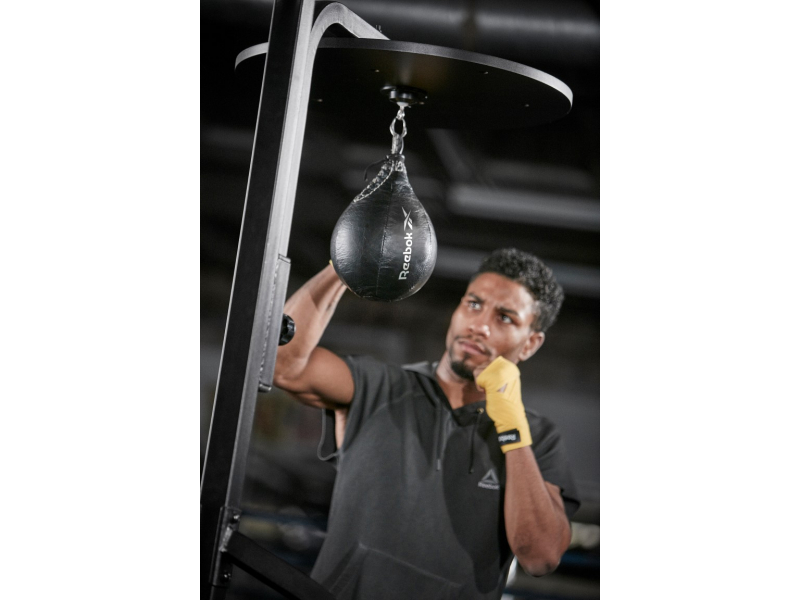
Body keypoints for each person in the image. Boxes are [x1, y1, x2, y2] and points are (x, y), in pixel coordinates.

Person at [274, 248, 580, 600]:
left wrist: (512, 428)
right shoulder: (379, 387)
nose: (479, 325)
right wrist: (341, 267)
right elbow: (283, 365)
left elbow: (540, 556)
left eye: (505, 318)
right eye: (474, 304)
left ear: (530, 344)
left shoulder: (538, 438)